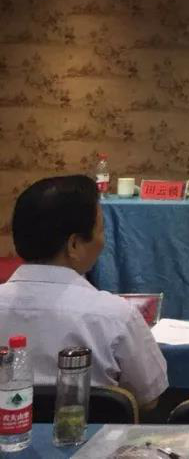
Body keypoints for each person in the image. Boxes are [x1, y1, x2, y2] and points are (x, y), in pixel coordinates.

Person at [0, 175, 168, 410]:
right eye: (101, 230)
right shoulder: (115, 316)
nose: (103, 241)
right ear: (74, 245)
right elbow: (148, 398)